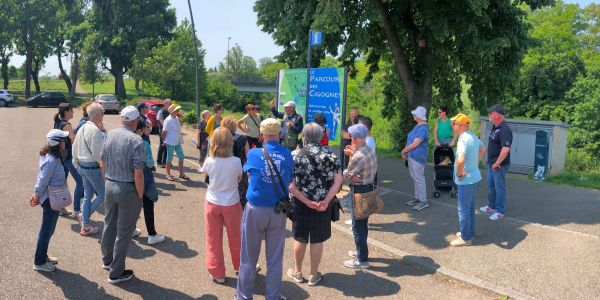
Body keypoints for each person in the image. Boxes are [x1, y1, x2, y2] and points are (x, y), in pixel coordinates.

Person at [236, 118, 294, 300]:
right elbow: (290, 178)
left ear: (261, 135)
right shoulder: (287, 154)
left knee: (248, 256)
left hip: (255, 209)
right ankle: (273, 296)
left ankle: (244, 296)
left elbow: (247, 171)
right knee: (275, 258)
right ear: (279, 135)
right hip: (278, 211)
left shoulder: (254, 153)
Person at [287, 123, 343, 286]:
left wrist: (307, 201)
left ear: (303, 136)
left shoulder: (295, 155)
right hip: (322, 205)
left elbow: (291, 186)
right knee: (317, 239)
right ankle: (313, 275)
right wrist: (325, 201)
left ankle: (297, 272)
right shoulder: (331, 155)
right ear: (320, 136)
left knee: (300, 237)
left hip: (301, 203)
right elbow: (338, 181)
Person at [100, 106, 146, 284]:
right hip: (127, 188)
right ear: (135, 121)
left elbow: (102, 163)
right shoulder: (136, 140)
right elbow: (138, 173)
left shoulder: (109, 134)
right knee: (125, 231)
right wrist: (140, 196)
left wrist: (107, 182)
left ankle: (107, 261)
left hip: (110, 184)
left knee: (109, 223)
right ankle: (116, 273)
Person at [202, 127, 243, 284]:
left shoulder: (209, 161)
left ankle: (217, 273)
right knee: (236, 237)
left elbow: (207, 176)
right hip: (231, 203)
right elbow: (238, 178)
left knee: (213, 239)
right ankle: (240, 267)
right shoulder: (236, 161)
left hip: (212, 202)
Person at [30, 129, 70, 272]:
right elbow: (43, 179)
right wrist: (36, 194)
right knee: (46, 230)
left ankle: (43, 255)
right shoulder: (51, 159)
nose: (65, 142)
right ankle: (39, 262)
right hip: (50, 199)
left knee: (49, 229)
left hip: (53, 197)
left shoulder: (53, 156)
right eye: (63, 140)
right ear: (56, 143)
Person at [342, 123, 378, 269]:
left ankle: (362, 259)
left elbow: (346, 175)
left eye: (351, 136)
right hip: (368, 188)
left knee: (357, 226)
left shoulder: (358, 155)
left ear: (355, 138)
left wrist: (351, 157)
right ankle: (360, 252)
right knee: (363, 224)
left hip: (359, 192)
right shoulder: (369, 149)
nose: (349, 138)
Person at [450, 114, 486, 246]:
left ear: (459, 126)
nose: (453, 126)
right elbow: (483, 149)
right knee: (470, 207)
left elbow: (460, 160)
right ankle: (469, 232)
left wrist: (459, 174)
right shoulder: (473, 136)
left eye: (454, 124)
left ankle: (466, 238)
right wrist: (474, 164)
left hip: (466, 180)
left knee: (463, 209)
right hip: (474, 177)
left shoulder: (463, 140)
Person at [72, 103, 106, 236]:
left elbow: (75, 147)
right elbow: (98, 154)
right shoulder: (95, 130)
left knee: (87, 195)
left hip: (82, 166)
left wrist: (76, 164)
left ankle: (84, 221)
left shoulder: (83, 126)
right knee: (102, 195)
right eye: (103, 112)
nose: (104, 115)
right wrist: (105, 168)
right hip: (92, 167)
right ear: (98, 114)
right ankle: (84, 222)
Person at [135, 119, 165, 245]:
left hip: (128, 179)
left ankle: (131, 230)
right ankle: (152, 234)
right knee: (148, 206)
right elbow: (149, 162)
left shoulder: (125, 140)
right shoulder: (144, 143)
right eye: (146, 128)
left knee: (134, 207)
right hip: (143, 177)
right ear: (141, 130)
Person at [480, 104, 513, 221]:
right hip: (492, 163)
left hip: (499, 165)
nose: (489, 114)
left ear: (497, 115)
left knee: (499, 188)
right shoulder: (495, 127)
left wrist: (497, 163)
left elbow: (505, 150)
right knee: (491, 185)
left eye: (491, 112)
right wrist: (490, 161)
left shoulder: (505, 129)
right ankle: (492, 206)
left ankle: (500, 211)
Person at [53, 103, 84, 217]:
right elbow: (74, 141)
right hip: (69, 157)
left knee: (62, 182)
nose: (73, 112)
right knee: (81, 182)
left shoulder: (58, 122)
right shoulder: (67, 125)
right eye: (71, 110)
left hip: (61, 157)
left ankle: (60, 207)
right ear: (66, 112)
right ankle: (77, 210)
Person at [402, 106, 430, 211]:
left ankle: (423, 201)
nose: (413, 115)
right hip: (412, 155)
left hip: (418, 157)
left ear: (419, 116)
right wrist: (405, 151)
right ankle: (417, 198)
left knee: (419, 178)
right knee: (415, 177)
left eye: (414, 114)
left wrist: (404, 151)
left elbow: (415, 144)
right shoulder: (418, 125)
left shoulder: (423, 128)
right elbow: (410, 141)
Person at [222, 116, 250, 208]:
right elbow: (248, 155)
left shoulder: (220, 138)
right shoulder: (243, 138)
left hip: (224, 172)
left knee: (226, 199)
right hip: (240, 172)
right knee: (241, 199)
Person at [162, 104, 190, 181]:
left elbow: (180, 126)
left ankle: (181, 173)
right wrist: (164, 140)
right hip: (170, 141)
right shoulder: (168, 120)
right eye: (177, 110)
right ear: (173, 111)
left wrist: (181, 118)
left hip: (177, 140)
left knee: (181, 156)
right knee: (169, 158)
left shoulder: (177, 117)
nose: (178, 111)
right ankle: (168, 174)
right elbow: (164, 132)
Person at [156, 98, 172, 167]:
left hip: (169, 132)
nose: (171, 105)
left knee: (167, 147)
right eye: (170, 104)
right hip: (162, 132)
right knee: (162, 146)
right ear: (165, 104)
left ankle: (165, 161)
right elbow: (162, 123)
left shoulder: (170, 112)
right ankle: (158, 162)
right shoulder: (161, 112)